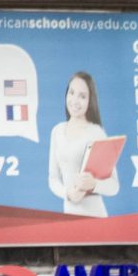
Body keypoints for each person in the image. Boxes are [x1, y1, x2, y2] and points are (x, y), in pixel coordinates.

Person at [47, 69, 118, 219]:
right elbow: (53, 178)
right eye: (71, 93)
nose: (74, 100)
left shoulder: (96, 132)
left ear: (90, 100)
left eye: (82, 96)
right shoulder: (57, 131)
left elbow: (114, 185)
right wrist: (68, 193)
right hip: (70, 215)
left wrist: (94, 184)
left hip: (95, 216)